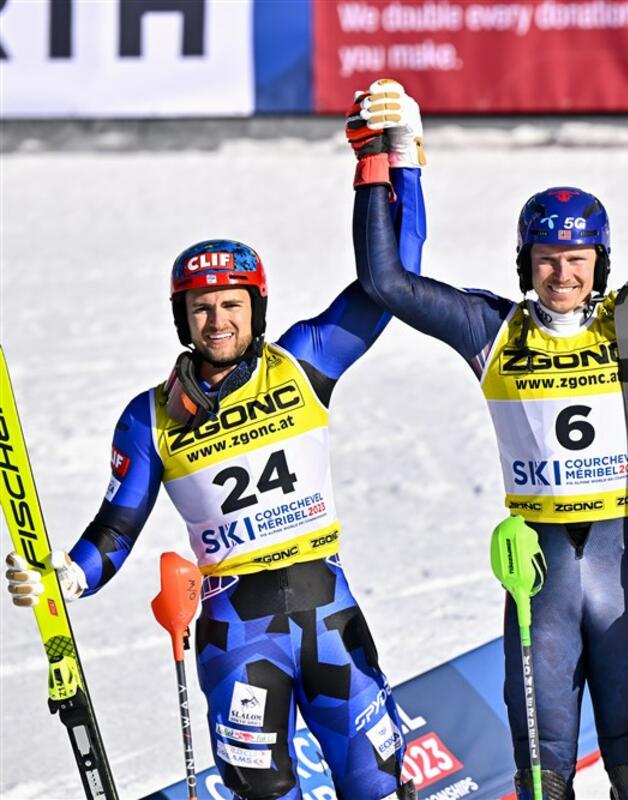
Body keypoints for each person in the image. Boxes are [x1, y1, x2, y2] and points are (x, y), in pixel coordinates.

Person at [347, 62, 628, 800]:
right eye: (546, 260)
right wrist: (383, 162)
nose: (562, 275)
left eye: (576, 260)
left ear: (600, 262)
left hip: (627, 556)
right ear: (525, 263)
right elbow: (387, 283)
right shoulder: (491, 329)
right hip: (541, 573)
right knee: (544, 775)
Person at [5, 104, 427, 798]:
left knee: (376, 785)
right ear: (183, 318)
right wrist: (69, 576)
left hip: (328, 614)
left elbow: (394, 282)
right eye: (202, 308)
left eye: (232, 304)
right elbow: (116, 529)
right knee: (261, 792)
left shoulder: (305, 362)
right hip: (237, 635)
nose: (218, 320)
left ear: (255, 308)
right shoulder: (148, 417)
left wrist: (394, 162)